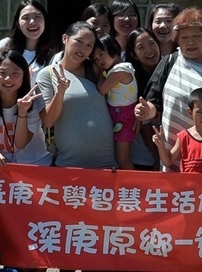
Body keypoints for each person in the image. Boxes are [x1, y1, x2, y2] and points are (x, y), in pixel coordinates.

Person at [138, 7, 202, 165]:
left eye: (196, 36)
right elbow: (154, 103)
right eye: (184, 37)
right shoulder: (169, 63)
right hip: (175, 153)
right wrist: (146, 111)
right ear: (177, 40)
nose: (190, 42)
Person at [36, 21, 116, 169]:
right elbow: (48, 120)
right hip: (69, 165)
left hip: (108, 163)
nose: (83, 49)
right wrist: (60, 92)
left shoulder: (96, 68)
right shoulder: (47, 74)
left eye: (89, 45)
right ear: (65, 38)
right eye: (79, 41)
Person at [0, 50, 51, 166]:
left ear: (25, 76)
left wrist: (22, 111)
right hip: (3, 169)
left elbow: (20, 143)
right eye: (2, 73)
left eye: (15, 73)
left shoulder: (32, 103)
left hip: (38, 165)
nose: (8, 78)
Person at [92, 33, 138, 170]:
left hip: (123, 117)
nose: (99, 60)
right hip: (118, 116)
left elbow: (102, 89)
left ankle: (138, 187)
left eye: (101, 54)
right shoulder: (119, 68)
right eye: (95, 59)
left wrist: (100, 72)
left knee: (122, 159)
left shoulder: (119, 70)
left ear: (113, 48)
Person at [124, 27, 163, 169]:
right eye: (141, 47)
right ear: (134, 55)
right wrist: (157, 157)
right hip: (143, 157)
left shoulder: (171, 68)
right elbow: (144, 125)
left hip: (172, 153)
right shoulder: (130, 79)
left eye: (152, 43)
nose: (150, 50)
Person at [0, 0, 53, 79]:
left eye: (37, 16)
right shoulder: (5, 45)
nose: (32, 22)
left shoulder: (53, 54)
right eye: (26, 18)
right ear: (17, 24)